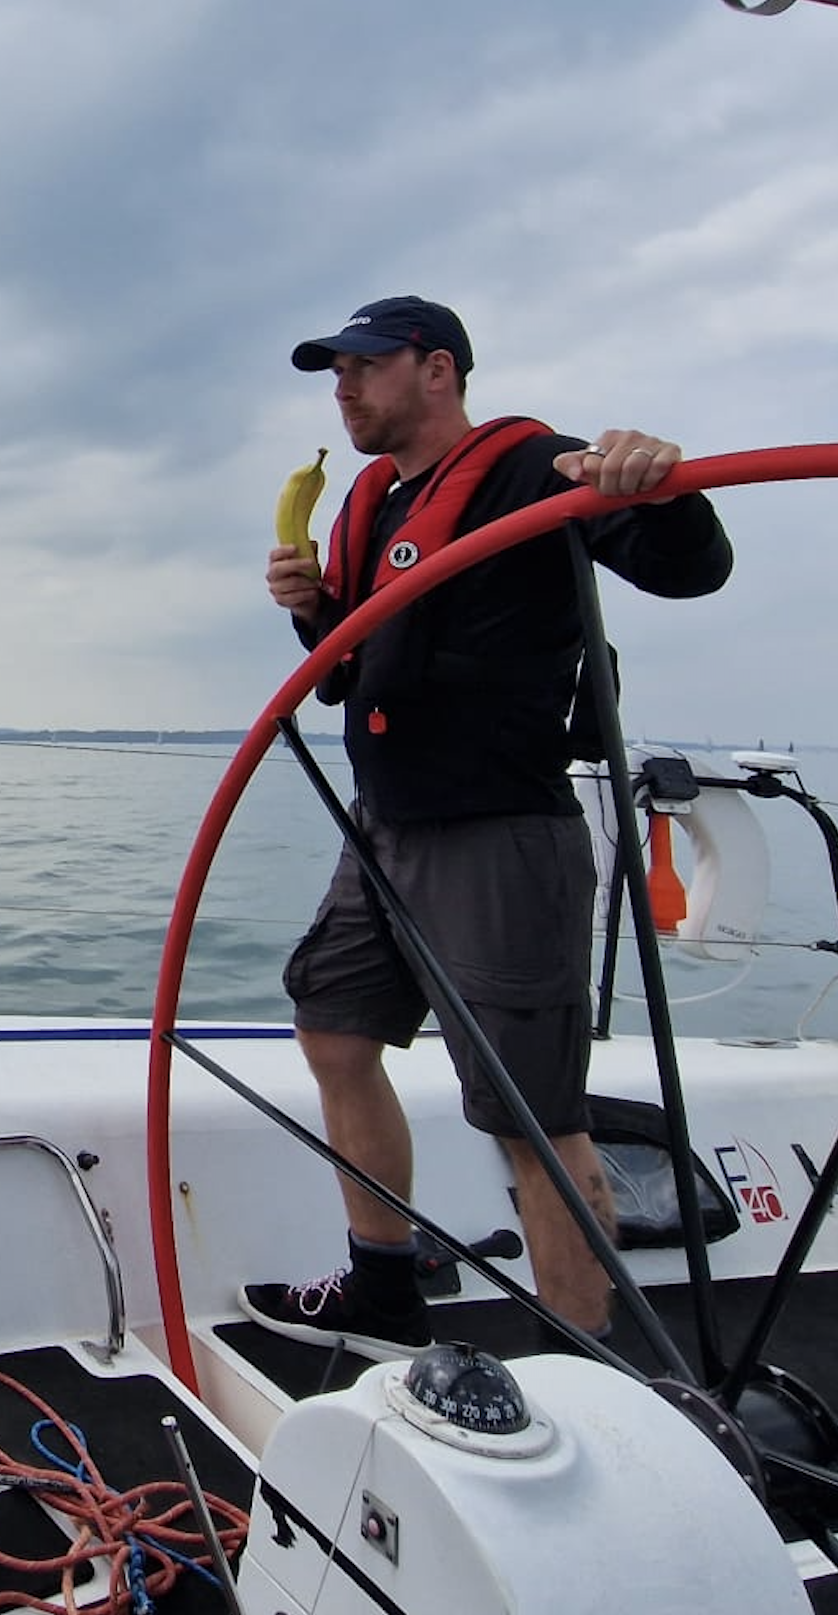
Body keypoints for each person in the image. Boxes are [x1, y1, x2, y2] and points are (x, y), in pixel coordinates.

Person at [239, 294, 732, 1359]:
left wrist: (663, 487)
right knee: (334, 1033)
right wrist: (312, 608)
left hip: (501, 834)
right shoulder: (376, 502)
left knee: (533, 1118)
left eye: (364, 365)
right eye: (335, 372)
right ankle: (383, 1289)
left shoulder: (538, 469)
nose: (343, 387)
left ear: (438, 370)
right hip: (385, 828)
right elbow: (354, 668)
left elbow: (689, 568)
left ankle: (587, 1365)